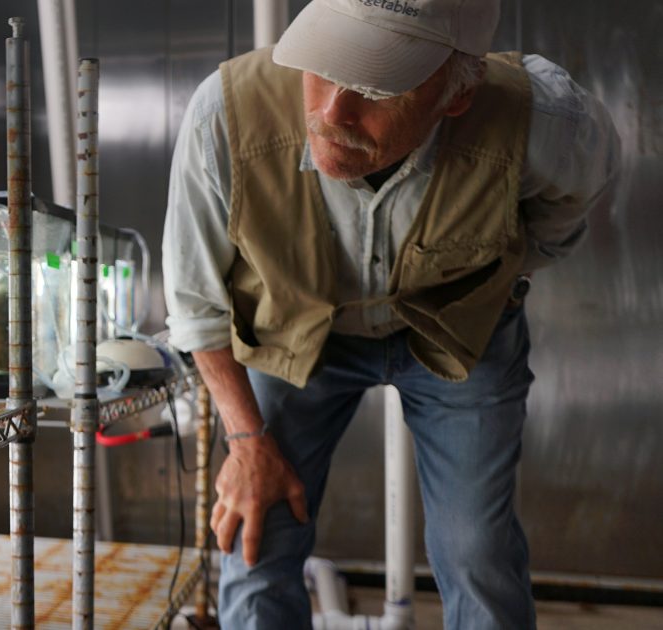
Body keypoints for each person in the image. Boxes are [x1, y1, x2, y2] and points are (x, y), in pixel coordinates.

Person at [161, 0, 620, 627]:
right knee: (257, 530)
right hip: (294, 335)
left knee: (475, 551)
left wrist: (500, 269)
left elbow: (571, 204)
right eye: (321, 65)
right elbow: (195, 306)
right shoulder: (224, 115)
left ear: (455, 94)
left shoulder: (545, 122)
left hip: (460, 327)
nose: (331, 113)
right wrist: (246, 444)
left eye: (375, 86)